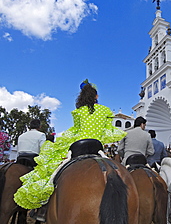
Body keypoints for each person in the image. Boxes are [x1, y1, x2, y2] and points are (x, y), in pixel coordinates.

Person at [14, 80, 127, 210]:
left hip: (79, 145)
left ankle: (43, 206)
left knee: (52, 170)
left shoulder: (78, 112)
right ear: (96, 96)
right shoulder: (105, 111)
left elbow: (76, 130)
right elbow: (108, 131)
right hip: (96, 146)